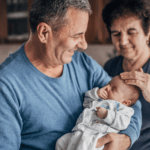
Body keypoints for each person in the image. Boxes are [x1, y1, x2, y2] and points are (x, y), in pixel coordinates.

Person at [0, 0, 141, 150]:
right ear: (44, 33)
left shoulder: (84, 64)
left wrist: (126, 138)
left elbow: (130, 102)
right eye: (77, 35)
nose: (84, 44)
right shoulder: (6, 85)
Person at [102, 0, 150, 149]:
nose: (123, 41)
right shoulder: (110, 66)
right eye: (116, 34)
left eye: (131, 32)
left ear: (147, 33)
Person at [56, 75, 141, 150]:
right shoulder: (100, 98)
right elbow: (86, 103)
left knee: (82, 146)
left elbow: (123, 123)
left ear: (125, 102)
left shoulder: (123, 109)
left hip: (96, 136)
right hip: (80, 130)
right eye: (109, 84)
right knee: (61, 142)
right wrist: (96, 94)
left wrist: (107, 115)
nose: (107, 87)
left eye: (113, 89)